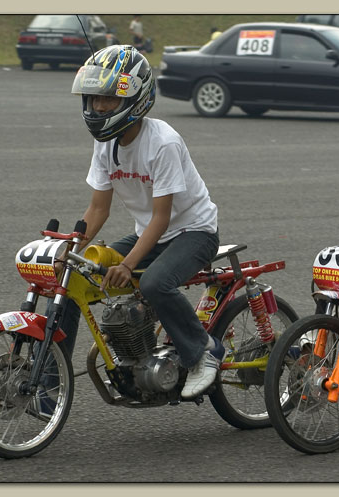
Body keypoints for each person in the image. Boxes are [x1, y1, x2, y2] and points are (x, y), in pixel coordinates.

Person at [65, 44, 223, 399]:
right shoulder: (105, 143)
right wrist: (70, 250)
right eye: (94, 99)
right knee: (73, 276)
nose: (99, 107)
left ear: (135, 100)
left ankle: (202, 352)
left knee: (153, 283)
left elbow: (161, 217)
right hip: (151, 233)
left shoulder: (162, 143)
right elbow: (97, 210)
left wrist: (129, 263)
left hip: (193, 232)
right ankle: (48, 378)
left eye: (109, 100)